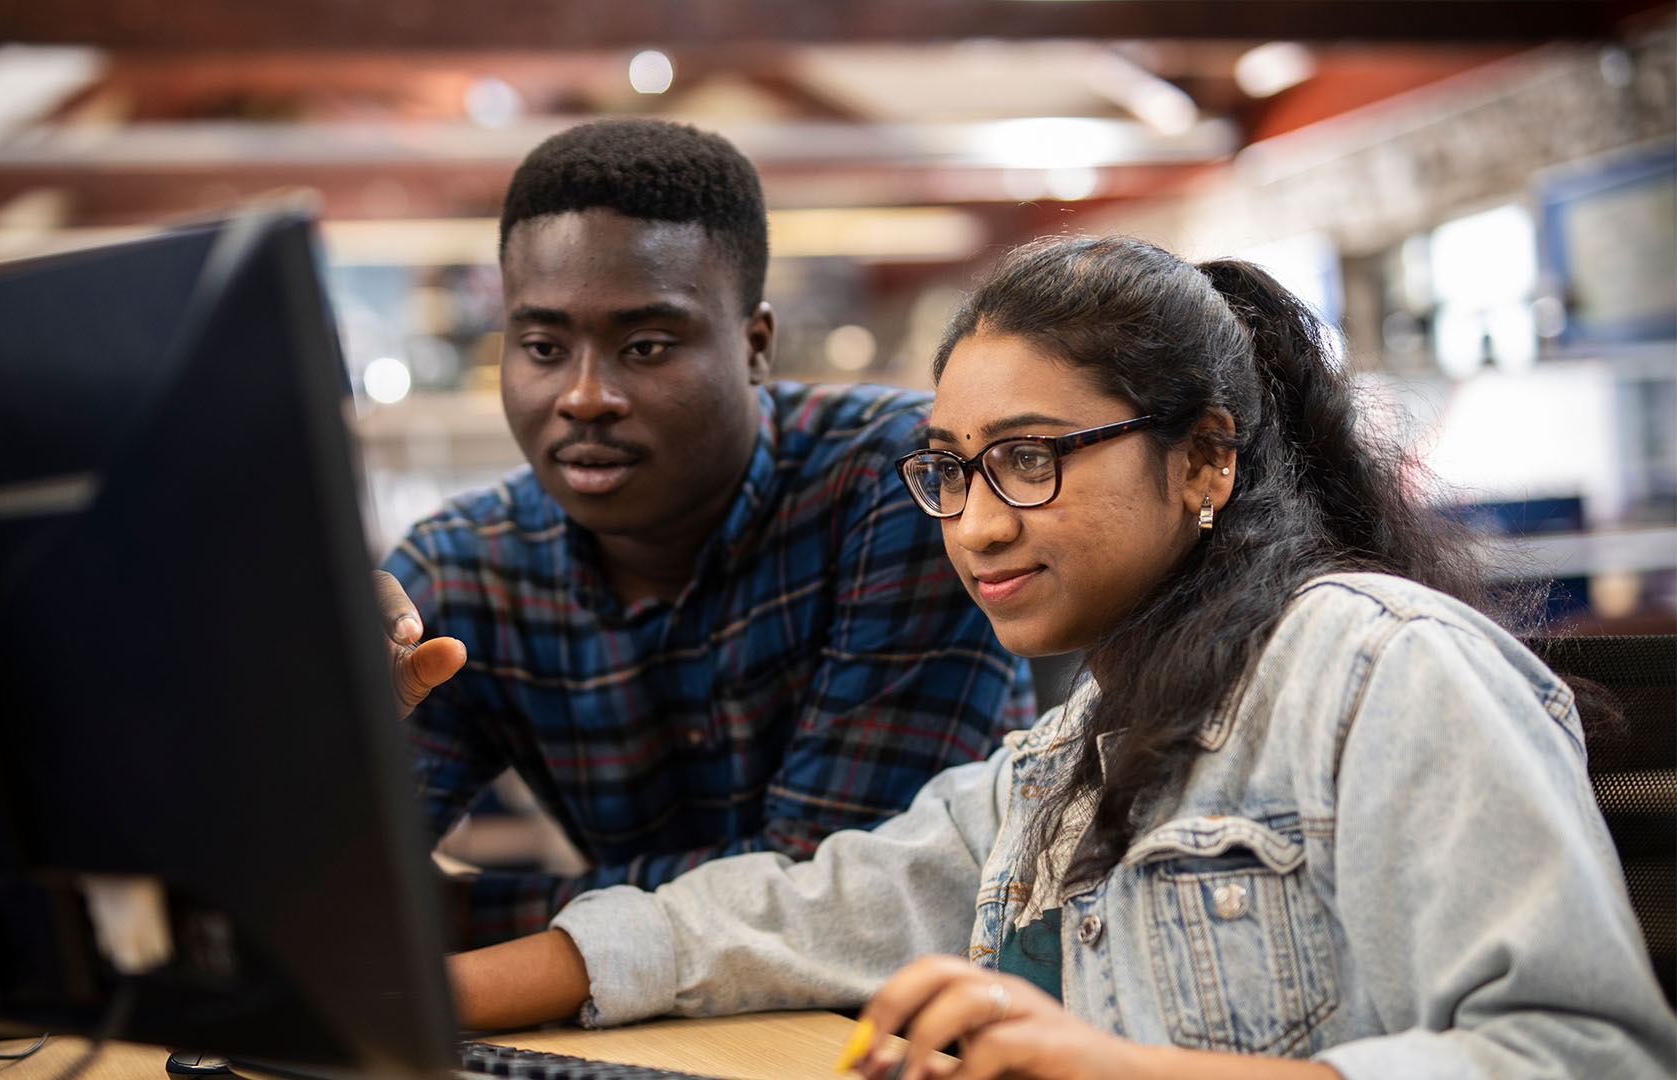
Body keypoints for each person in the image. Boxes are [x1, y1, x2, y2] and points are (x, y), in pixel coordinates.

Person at [443, 236, 1677, 1078]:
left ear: (1204, 458)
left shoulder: (1383, 668)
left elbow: (1581, 1055)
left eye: (1031, 457)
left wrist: (1117, 1068)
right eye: (950, 469)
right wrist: (428, 1002)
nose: (975, 523)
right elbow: (793, 910)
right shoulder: (1066, 760)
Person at [378, 118, 1034, 948]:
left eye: (646, 345)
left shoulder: (903, 484)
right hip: (647, 1039)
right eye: (542, 345)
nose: (583, 396)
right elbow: (340, 895)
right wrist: (309, 734)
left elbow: (831, 895)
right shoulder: (462, 568)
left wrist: (464, 915)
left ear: (755, 344)